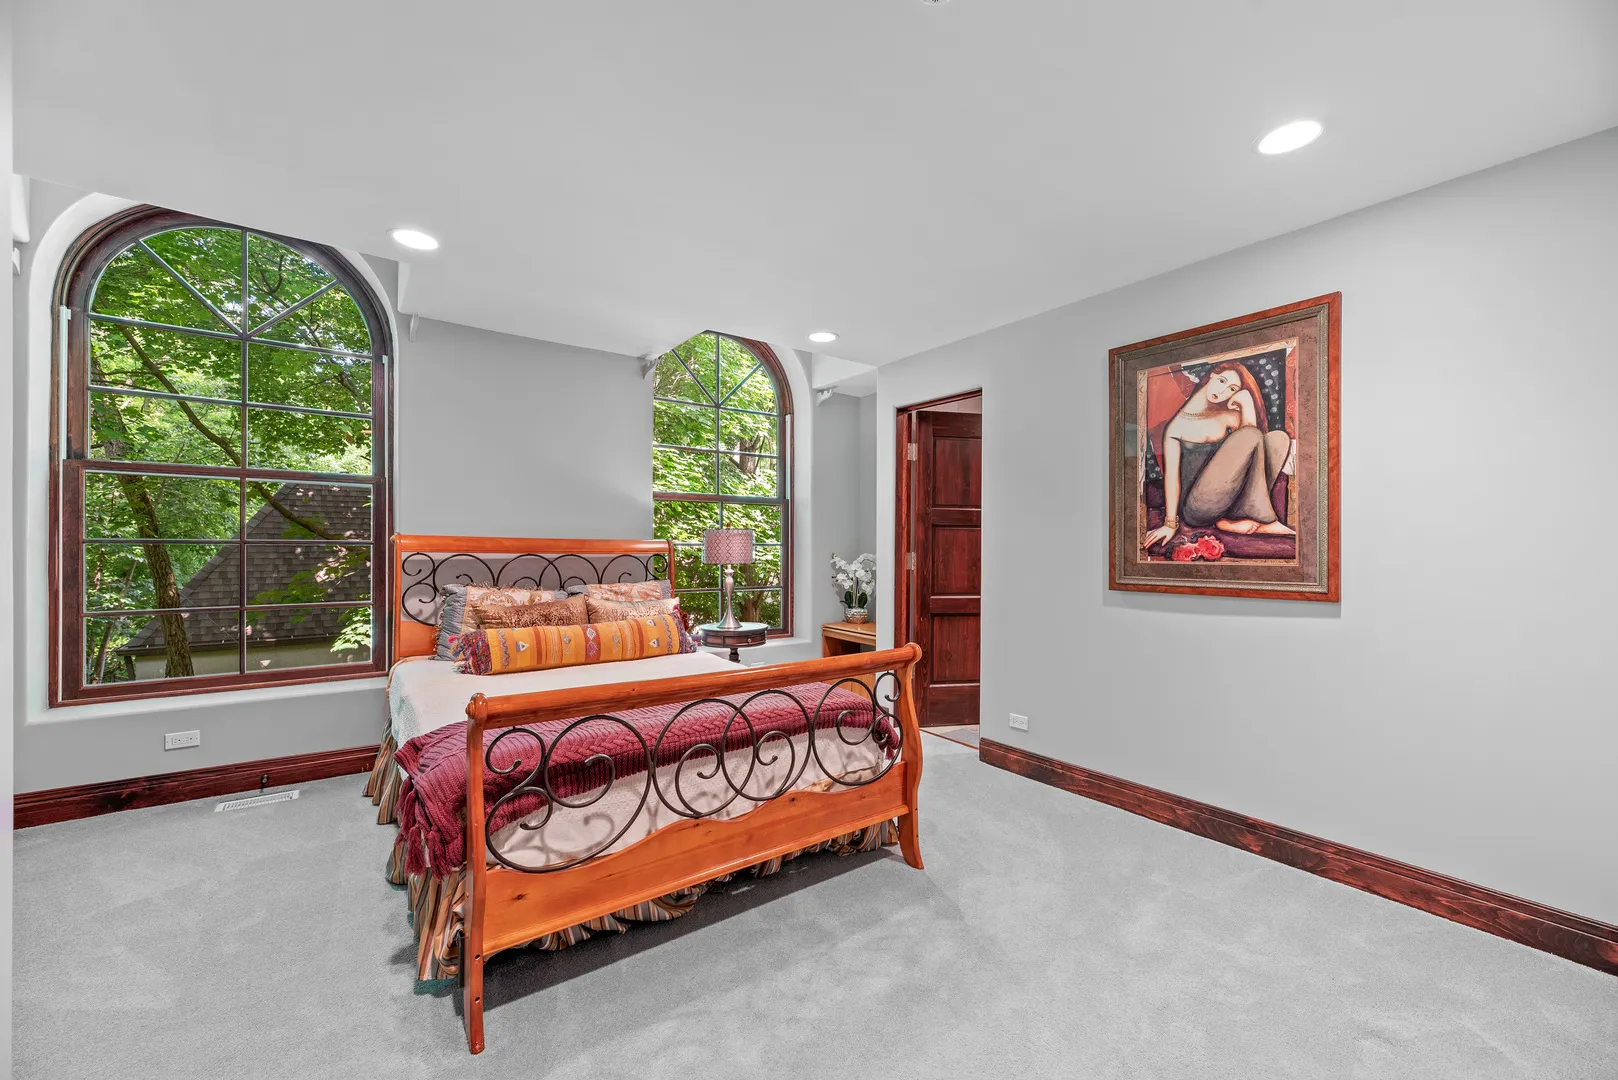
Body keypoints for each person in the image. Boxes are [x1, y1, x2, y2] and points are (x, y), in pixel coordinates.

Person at [1141, 361, 1293, 552]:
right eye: (1222, 381)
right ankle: (1266, 519)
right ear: (1212, 375)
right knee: (1250, 434)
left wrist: (1246, 402)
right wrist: (1170, 524)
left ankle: (1227, 521)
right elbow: (1172, 477)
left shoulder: (1228, 415)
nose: (1222, 391)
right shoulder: (1176, 427)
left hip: (1227, 501)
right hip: (1197, 506)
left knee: (1278, 440)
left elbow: (1254, 452)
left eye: (1232, 389)